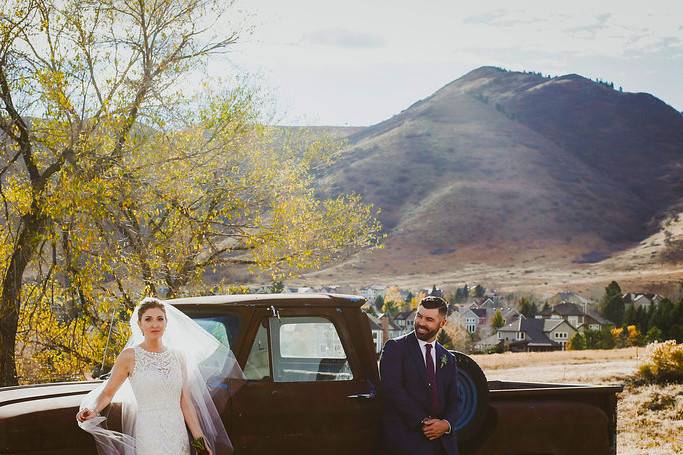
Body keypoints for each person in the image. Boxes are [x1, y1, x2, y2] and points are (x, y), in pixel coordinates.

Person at [76, 297, 243, 455]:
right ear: (139, 324)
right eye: (148, 319)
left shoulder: (179, 356)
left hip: (177, 432)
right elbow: (108, 393)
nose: (154, 324)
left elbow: (185, 403)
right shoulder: (129, 356)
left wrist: (199, 442)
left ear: (166, 322)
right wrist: (93, 409)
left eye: (160, 319)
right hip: (149, 433)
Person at [380, 295, 460, 455]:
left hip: (444, 446)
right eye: (419, 316)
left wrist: (446, 424)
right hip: (407, 443)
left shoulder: (448, 358)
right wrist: (424, 422)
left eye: (429, 319)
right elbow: (392, 391)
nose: (421, 323)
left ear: (442, 323)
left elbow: (455, 399)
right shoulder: (395, 348)